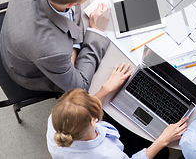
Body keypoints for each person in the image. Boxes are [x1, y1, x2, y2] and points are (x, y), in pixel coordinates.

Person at [0, 0, 114, 93]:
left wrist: (74, 48)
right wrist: (96, 30)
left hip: (18, 25)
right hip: (26, 69)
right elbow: (80, 86)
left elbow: (71, 10)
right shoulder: (54, 51)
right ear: (71, 3)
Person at [47, 62, 188, 159]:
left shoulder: (57, 119)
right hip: (118, 150)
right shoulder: (107, 154)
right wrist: (164, 139)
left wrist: (106, 88)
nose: (95, 99)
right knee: (162, 153)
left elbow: (80, 109)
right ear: (92, 121)